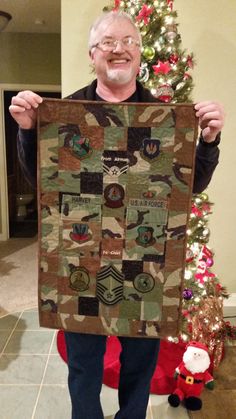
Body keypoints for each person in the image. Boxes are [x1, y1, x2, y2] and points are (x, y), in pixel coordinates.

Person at [9, 11, 225, 419]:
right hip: (81, 262)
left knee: (139, 368)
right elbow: (42, 182)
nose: (119, 48)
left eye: (128, 41)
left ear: (140, 55)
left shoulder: (164, 119)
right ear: (93, 55)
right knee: (84, 367)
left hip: (146, 265)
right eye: (108, 41)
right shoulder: (66, 112)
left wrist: (208, 142)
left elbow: (188, 186)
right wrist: (26, 130)